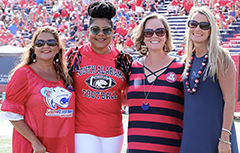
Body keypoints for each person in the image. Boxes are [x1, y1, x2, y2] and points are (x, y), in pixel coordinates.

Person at [66, 2, 132, 153]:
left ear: (113, 32)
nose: (100, 34)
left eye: (106, 30)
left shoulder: (123, 60)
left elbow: (126, 97)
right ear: (88, 31)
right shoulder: (74, 56)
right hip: (82, 130)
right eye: (95, 29)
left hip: (114, 131)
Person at [0, 26, 75, 153]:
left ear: (58, 48)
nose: (45, 46)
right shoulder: (23, 74)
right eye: (40, 43)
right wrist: (35, 142)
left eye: (51, 43)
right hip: (34, 147)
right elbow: (12, 113)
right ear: (34, 49)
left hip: (63, 145)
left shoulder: (65, 76)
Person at [180, 6, 239, 153]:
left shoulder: (220, 57)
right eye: (193, 24)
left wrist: (225, 138)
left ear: (211, 29)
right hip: (191, 135)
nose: (198, 29)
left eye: (204, 25)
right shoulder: (187, 59)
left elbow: (230, 99)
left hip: (215, 137)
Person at [127, 13, 184, 153]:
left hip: (170, 149)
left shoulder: (181, 68)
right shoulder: (132, 68)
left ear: (166, 36)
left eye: (160, 31)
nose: (154, 36)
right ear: (142, 37)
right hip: (135, 149)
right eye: (148, 32)